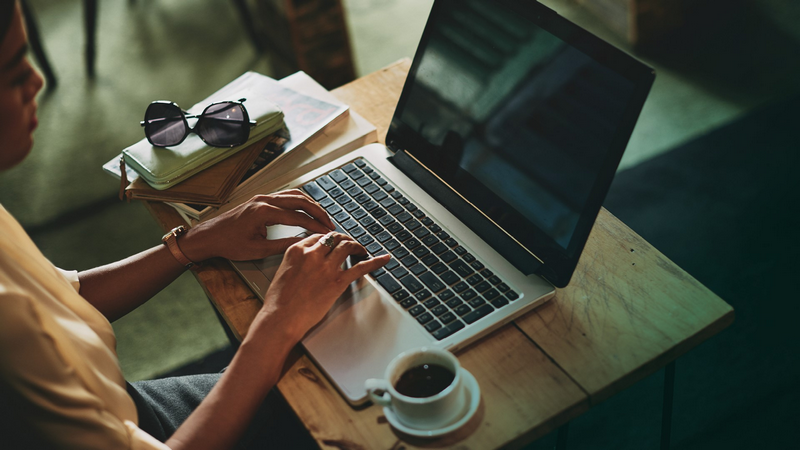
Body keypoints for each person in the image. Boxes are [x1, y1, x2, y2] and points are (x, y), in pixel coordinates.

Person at [0, 1, 390, 448]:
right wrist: (278, 320)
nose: (38, 81)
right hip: (137, 433)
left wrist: (193, 243)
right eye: (13, 73)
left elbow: (62, 299)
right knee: (350, 406)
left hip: (116, 405)